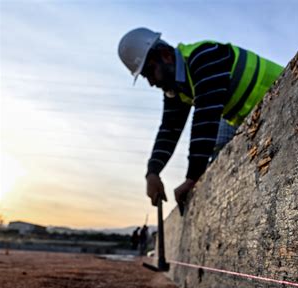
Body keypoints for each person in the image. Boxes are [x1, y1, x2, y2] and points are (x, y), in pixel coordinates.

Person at [118, 28, 284, 211]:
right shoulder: (177, 87)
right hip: (262, 118)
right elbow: (169, 130)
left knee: (218, 151)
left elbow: (206, 117)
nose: (151, 82)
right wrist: (152, 172)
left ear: (165, 56)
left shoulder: (204, 56)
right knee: (222, 158)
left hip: (285, 95)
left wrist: (192, 178)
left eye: (150, 72)